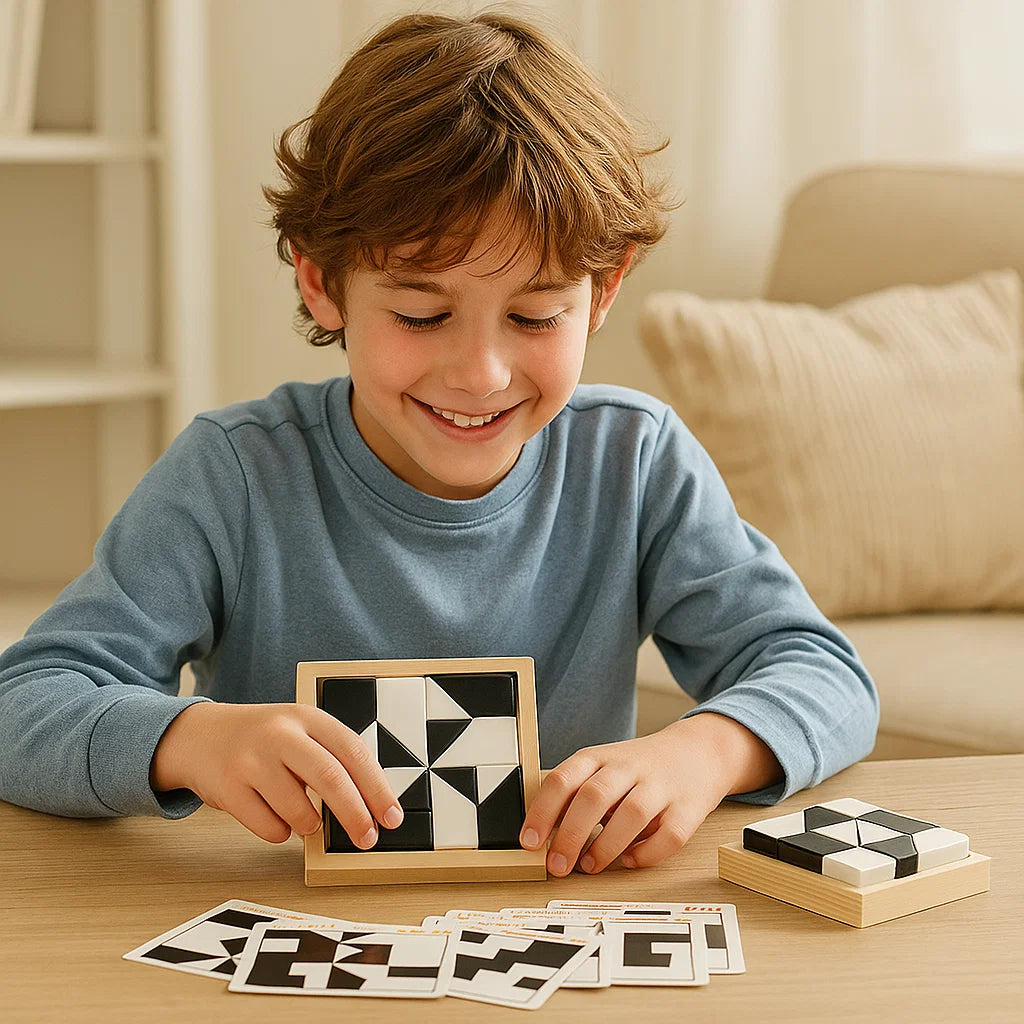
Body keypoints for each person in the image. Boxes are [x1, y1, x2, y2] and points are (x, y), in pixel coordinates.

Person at [0, 10, 877, 878]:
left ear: (602, 294)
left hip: (558, 929)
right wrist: (186, 740)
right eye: (423, 315)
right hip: (294, 931)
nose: (481, 374)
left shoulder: (633, 461)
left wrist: (704, 753)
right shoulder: (234, 474)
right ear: (322, 284)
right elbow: (22, 704)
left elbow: (821, 673)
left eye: (535, 315)